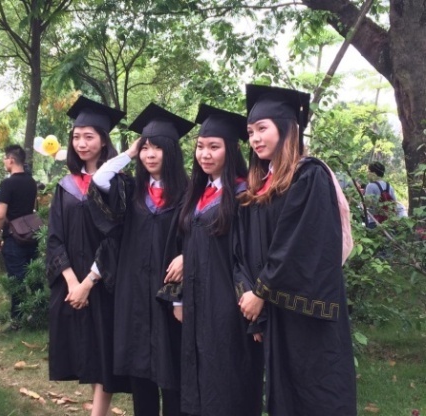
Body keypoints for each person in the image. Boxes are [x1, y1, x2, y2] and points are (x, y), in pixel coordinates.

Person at [236, 84, 357, 416]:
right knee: (284, 395)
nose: (254, 138)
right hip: (275, 308)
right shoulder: (259, 187)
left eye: (262, 128)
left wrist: (261, 292)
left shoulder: (309, 176)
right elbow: (247, 249)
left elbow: (299, 244)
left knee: (316, 392)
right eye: (250, 132)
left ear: (286, 128)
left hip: (306, 312)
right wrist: (256, 302)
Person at [90, 103, 194, 416]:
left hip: (168, 296)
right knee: (140, 370)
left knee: (172, 370)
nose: (150, 155)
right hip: (134, 294)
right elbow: (99, 180)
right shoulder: (132, 191)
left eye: (157, 148)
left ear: (171, 152)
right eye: (146, 148)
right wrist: (129, 153)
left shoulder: (189, 192)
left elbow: (197, 241)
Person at [176, 104, 264, 416]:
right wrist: (179, 297)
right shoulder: (198, 193)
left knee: (228, 382)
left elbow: (251, 256)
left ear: (232, 149)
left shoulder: (244, 194)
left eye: (214, 147)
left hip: (229, 306)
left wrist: (256, 314)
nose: (205, 154)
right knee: (199, 377)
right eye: (200, 147)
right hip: (198, 303)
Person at [46, 96, 130, 416]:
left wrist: (88, 282)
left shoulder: (118, 184)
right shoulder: (65, 186)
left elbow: (117, 238)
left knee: (104, 352)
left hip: (104, 282)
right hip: (72, 283)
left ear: (103, 140)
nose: (81, 143)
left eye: (89, 137)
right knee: (85, 350)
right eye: (76, 137)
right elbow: (55, 237)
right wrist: (71, 282)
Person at [0, 145, 38, 326]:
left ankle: (17, 319)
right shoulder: (31, 181)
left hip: (14, 237)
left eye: (5, 158)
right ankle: (38, 312)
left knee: (16, 278)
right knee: (34, 275)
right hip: (31, 234)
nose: (4, 162)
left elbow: (0, 214)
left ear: (11, 160)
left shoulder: (8, 183)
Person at [364, 161, 398, 227]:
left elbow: (367, 204)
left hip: (374, 221)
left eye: (369, 171)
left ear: (373, 173)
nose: (367, 173)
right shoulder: (389, 186)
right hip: (388, 223)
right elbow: (395, 204)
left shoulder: (370, 186)